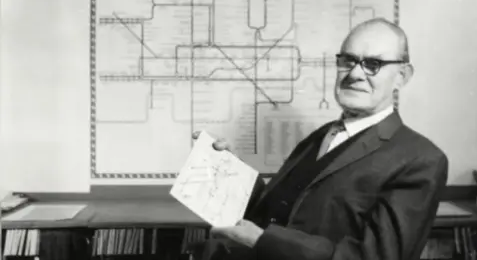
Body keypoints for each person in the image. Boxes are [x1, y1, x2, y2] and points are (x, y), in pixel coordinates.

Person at [191, 17, 448, 260]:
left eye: (373, 64)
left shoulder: (420, 160)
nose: (355, 74)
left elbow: (377, 257)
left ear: (401, 77)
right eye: (348, 60)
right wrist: (227, 172)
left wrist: (262, 240)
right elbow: (277, 208)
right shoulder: (321, 135)